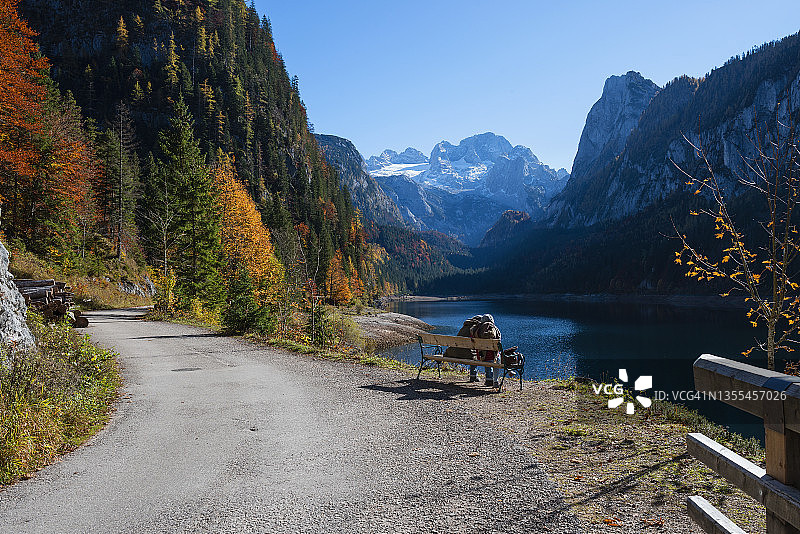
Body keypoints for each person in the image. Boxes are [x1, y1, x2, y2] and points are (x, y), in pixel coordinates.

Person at [471, 314, 501, 386]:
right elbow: (498, 344)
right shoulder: (494, 328)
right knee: (496, 358)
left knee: (480, 354)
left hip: (478, 355)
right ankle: (491, 380)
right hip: (489, 356)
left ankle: (472, 375)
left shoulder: (475, 329)